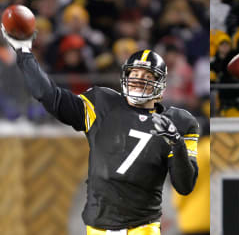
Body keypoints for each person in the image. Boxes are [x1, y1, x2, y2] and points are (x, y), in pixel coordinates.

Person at [1, 25, 199, 235]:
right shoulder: (103, 103)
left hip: (143, 227)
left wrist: (176, 142)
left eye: (148, 76)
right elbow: (49, 95)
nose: (139, 80)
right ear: (125, 77)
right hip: (98, 226)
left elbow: (184, 186)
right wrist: (24, 52)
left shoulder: (180, 122)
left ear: (159, 84)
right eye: (135, 73)